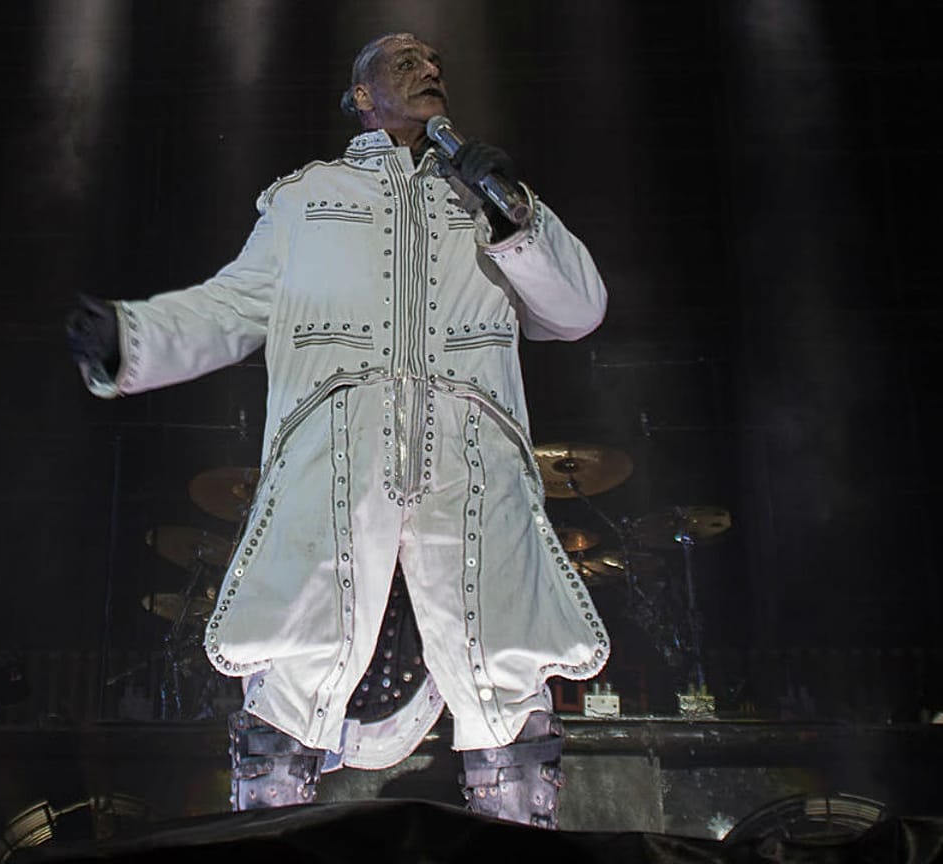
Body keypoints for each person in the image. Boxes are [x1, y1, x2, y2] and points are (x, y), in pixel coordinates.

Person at [67, 32, 610, 828]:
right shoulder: (306, 197)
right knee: (297, 656)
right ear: (361, 96)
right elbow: (233, 305)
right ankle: (268, 831)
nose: (430, 70)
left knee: (502, 660)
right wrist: (131, 337)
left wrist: (516, 216)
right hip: (337, 458)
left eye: (435, 63)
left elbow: (578, 310)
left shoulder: (489, 196)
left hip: (472, 459)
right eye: (405, 62)